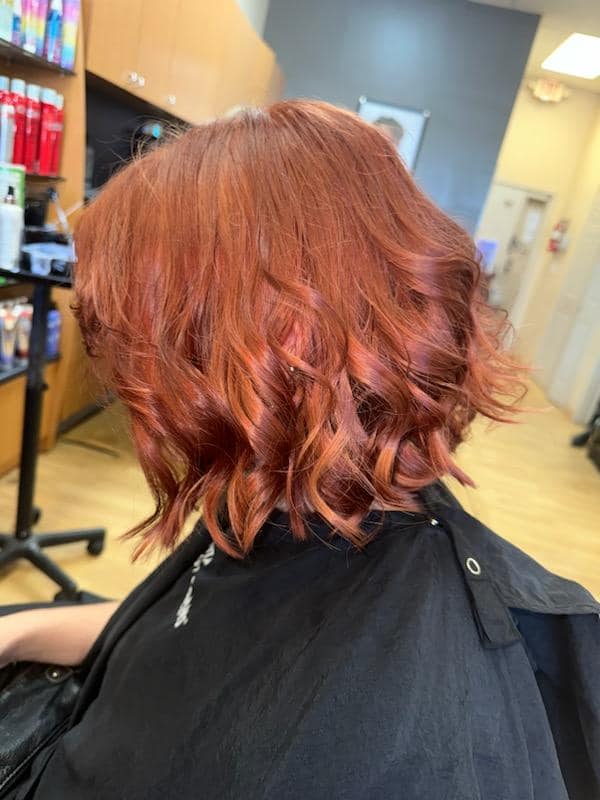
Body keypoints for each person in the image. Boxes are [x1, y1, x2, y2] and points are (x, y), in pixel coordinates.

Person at [1, 100, 599, 800]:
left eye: (144, 342)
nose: (121, 376)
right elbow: (188, 630)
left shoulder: (401, 729)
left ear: (270, 346)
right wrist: (20, 632)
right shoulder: (291, 491)